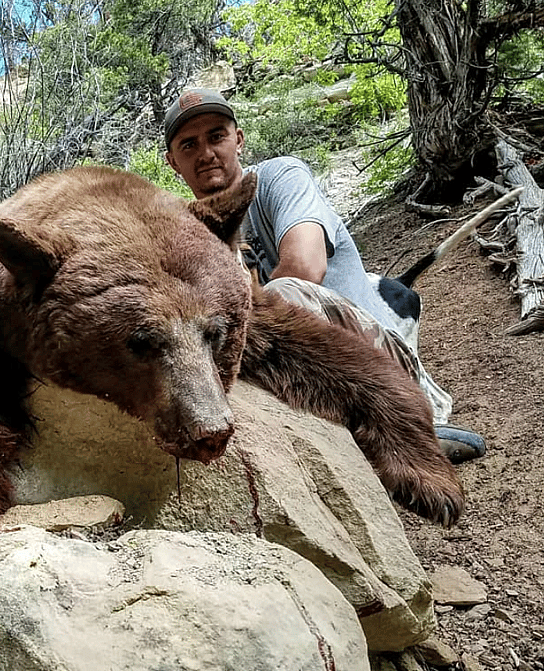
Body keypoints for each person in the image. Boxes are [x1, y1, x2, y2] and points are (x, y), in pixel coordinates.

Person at [163, 87, 485, 463]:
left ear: (239, 139)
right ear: (173, 162)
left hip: (372, 362)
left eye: (216, 136)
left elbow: (305, 267)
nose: (205, 153)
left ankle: (408, 425)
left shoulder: (280, 178)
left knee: (284, 294)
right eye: (189, 145)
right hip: (303, 367)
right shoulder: (191, 229)